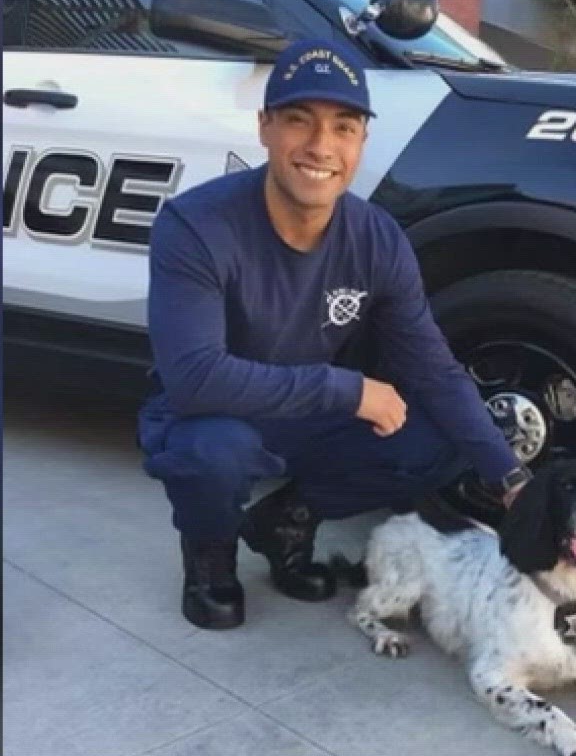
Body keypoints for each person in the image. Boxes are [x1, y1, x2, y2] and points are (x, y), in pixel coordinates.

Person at [138, 38, 530, 630]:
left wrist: (510, 478)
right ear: (265, 127)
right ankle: (211, 556)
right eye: (299, 121)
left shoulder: (377, 238)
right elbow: (195, 379)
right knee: (213, 452)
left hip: (306, 417)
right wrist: (347, 391)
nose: (321, 147)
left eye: (344, 127)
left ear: (362, 141)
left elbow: (433, 367)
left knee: (444, 434)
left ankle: (287, 520)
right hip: (217, 413)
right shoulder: (195, 225)